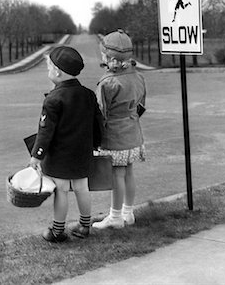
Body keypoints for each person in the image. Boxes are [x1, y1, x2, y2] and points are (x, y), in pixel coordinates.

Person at [29, 45, 103, 242]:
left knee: (61, 191)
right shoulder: (88, 94)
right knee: (82, 188)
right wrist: (96, 145)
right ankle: (85, 226)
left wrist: (37, 156)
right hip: (82, 154)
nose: (48, 72)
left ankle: (57, 231)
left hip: (60, 157)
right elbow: (98, 123)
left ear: (57, 71)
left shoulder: (53, 99)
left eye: (48, 68)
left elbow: (45, 132)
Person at [92, 29, 146, 229]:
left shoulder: (108, 83)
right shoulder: (138, 77)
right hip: (133, 132)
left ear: (108, 56)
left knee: (117, 174)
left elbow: (100, 113)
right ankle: (128, 213)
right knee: (129, 172)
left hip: (114, 134)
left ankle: (115, 217)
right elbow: (141, 104)